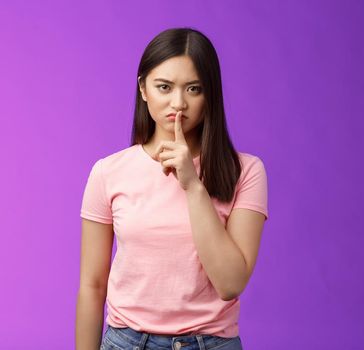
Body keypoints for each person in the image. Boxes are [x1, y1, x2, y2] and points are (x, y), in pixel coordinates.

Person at [74, 27, 269, 350]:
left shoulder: (246, 171)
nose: (178, 103)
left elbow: (231, 283)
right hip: (126, 342)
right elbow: (92, 285)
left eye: (194, 89)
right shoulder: (108, 172)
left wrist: (193, 186)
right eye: (164, 87)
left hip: (210, 343)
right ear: (143, 88)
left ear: (211, 95)